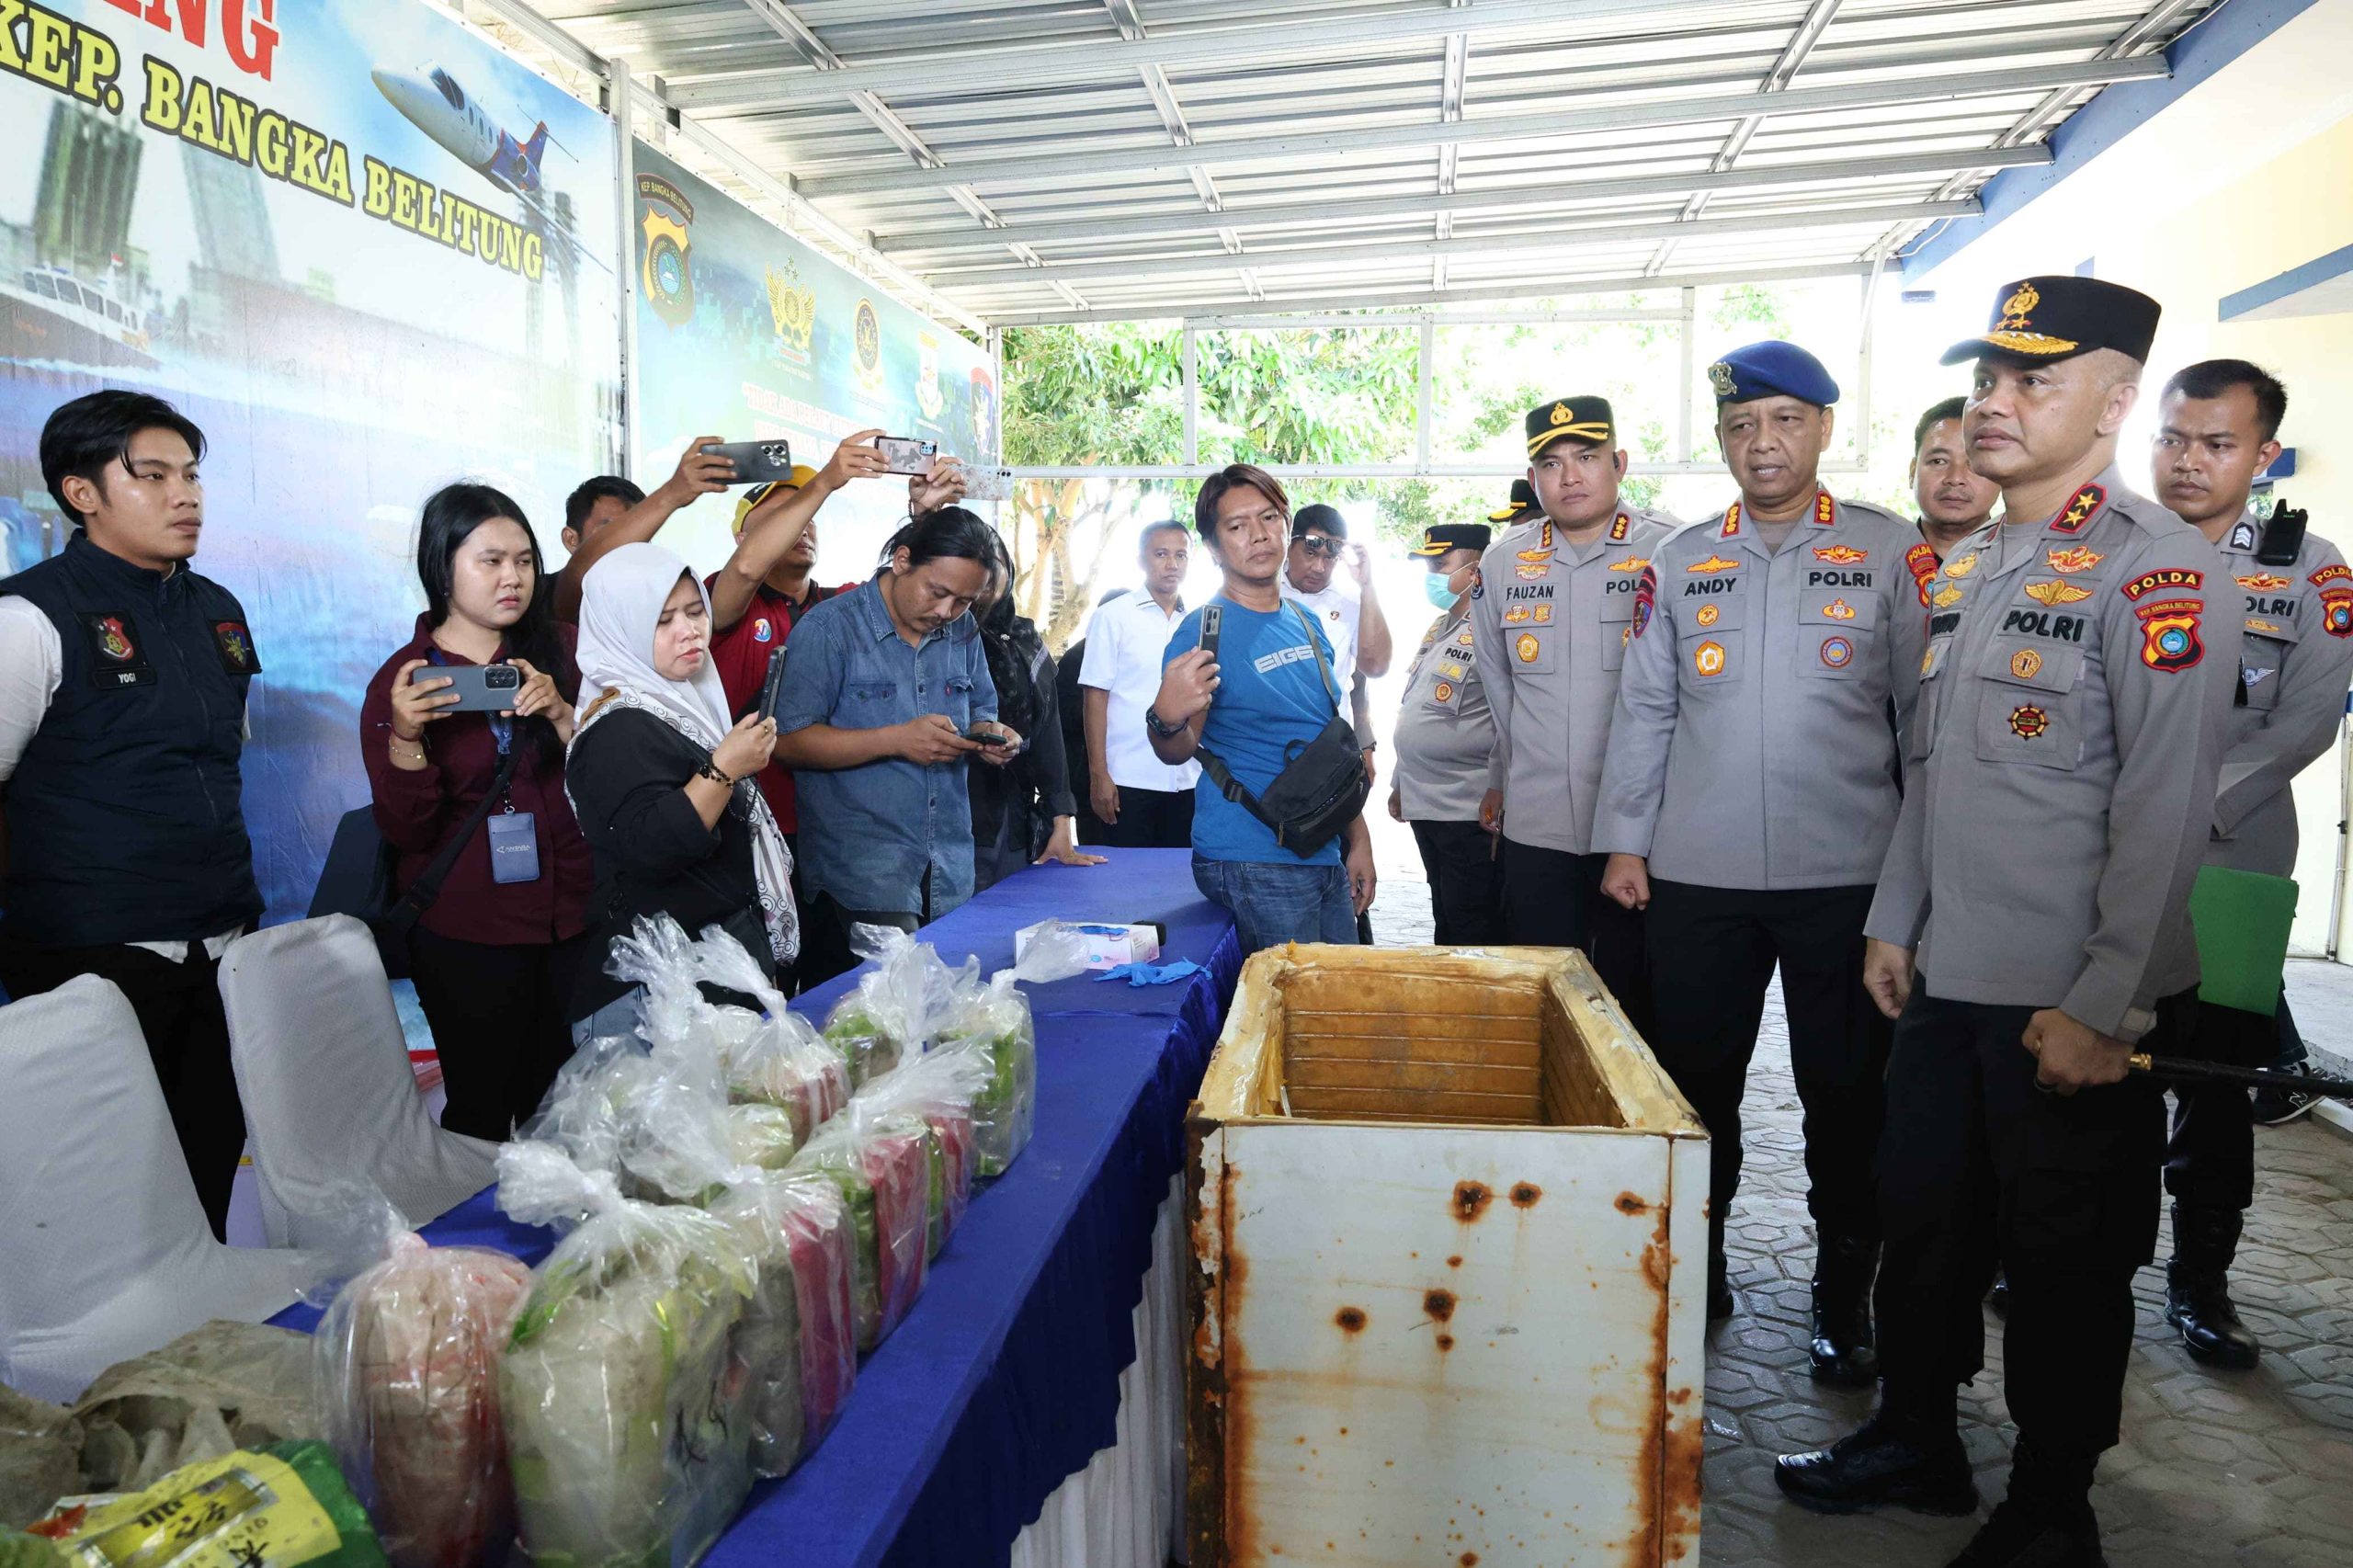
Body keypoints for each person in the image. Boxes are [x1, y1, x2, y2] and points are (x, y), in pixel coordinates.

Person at [1778, 278, 2235, 1568]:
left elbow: (2162, 816)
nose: (1996, 400)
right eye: (1989, 376)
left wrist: (2109, 1004)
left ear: (2117, 397)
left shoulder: (2163, 569)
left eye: (2034, 378)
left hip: (2069, 1001)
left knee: (2064, 1265)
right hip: (1947, 978)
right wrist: (1894, 919)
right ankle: (1919, 1435)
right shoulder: (1976, 563)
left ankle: (2051, 1505)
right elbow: (1938, 772)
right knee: (1922, 1222)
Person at [1594, 342, 1927, 1382]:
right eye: (1741, 426)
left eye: (1784, 420)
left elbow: (1922, 728)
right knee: (1696, 1084)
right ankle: (1698, 1262)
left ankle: (1842, 1287)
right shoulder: (1682, 557)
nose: (1762, 442)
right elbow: (1646, 709)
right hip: (1700, 875)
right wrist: (1626, 840)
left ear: (1826, 427)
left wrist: (1915, 888)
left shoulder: (1891, 552)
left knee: (1844, 1088)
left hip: (1847, 877)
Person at [0, 391, 260, 1238]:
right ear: (83, 494)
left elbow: (225, 757)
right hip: (93, 952)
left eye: (191, 474)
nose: (185, 494)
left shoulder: (220, 608)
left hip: (221, 939)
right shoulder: (29, 616)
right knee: (108, 1200)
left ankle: (198, 1347)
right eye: (152, 475)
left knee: (209, 1163)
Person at [2148, 358, 2352, 1369]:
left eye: (2216, 443)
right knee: (2093, 1071)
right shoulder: (2100, 548)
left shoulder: (2309, 568)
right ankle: (2072, 1256)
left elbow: (2308, 715)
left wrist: (2188, 802)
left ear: (2262, 452)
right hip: (2100, 862)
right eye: (2174, 437)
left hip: (2234, 863)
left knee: (2217, 1083)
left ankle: (2202, 1285)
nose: (2189, 461)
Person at [361, 484, 593, 1139]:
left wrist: (561, 712)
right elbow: (406, 829)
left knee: (566, 1105)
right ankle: (485, 1239)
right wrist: (405, 737)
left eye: (524, 560)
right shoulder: (405, 679)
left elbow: (610, 776)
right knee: (482, 1110)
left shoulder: (564, 653)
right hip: (468, 932)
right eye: (489, 561)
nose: (513, 578)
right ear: (443, 567)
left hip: (570, 917)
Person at [1472, 396, 1679, 1023]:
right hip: (1539, 829)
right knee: (1541, 995)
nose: (1570, 477)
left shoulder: (1672, 551)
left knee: (1635, 999)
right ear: (1534, 479)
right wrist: (1504, 784)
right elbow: (1499, 686)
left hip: (1644, 833)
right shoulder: (1505, 561)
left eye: (1586, 457)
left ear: (1618, 463)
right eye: (1552, 464)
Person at [771, 507, 1017, 984]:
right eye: (938, 592)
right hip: (861, 875)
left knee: (941, 1020)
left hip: (948, 867)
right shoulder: (829, 631)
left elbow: (983, 708)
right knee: (870, 1032)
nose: (946, 612)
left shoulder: (962, 632)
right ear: (902, 561)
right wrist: (895, 740)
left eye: (964, 601)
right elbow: (786, 741)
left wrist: (993, 736)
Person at [1147, 465, 1376, 952]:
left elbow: (1327, 744)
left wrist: (1359, 840)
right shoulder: (1203, 631)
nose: (1258, 535)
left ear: (1286, 526)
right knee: (1293, 1010)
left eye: (1269, 517)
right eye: (1237, 526)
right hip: (1251, 854)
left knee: (1339, 1003)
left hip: (1321, 849)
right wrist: (1164, 718)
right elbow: (1178, 749)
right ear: (1213, 548)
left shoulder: (1305, 622)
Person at [1390, 521, 1504, 945]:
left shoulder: (1494, 630)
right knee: (1446, 918)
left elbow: (1507, 720)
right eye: (1428, 566)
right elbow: (1414, 704)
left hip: (1467, 809)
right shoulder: (1440, 627)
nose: (1432, 576)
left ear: (1476, 570)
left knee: (1472, 926)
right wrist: (1400, 781)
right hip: (1427, 805)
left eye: (1441, 563)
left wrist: (1500, 789)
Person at [970, 534, 1105, 889]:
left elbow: (1048, 731)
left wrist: (1061, 819)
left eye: (994, 565)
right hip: (958, 809)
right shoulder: (942, 637)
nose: (984, 577)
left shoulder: (1023, 638)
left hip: (1014, 811)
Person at [1080, 521, 1199, 847]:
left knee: (1181, 885)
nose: (1172, 564)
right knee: (1126, 886)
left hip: (1188, 780)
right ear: (1141, 560)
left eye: (1181, 555)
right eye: (1161, 554)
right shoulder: (1113, 616)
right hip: (1127, 780)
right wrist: (1099, 775)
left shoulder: (1201, 622)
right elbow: (1095, 697)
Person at [551, 439, 739, 623]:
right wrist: (672, 493)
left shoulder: (659, 601)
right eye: (610, 531)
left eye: (640, 532)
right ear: (571, 539)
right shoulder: (542, 596)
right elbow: (578, 577)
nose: (629, 543)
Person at [1912, 396, 2001, 560]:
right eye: (1939, 461)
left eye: (1973, 463)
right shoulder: (1879, 557)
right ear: (1912, 472)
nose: (1955, 478)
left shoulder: (2031, 562)